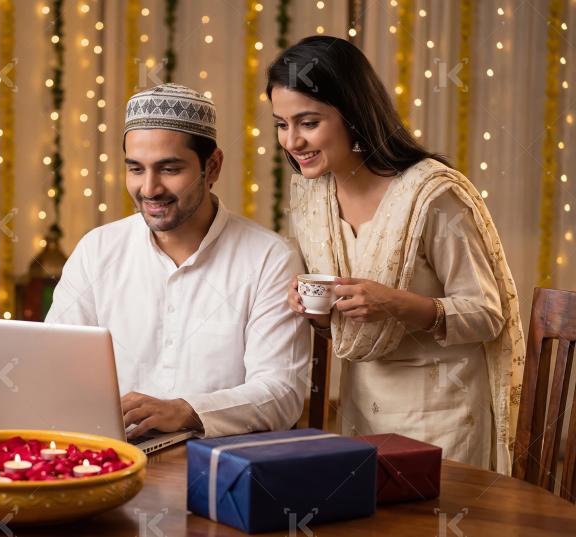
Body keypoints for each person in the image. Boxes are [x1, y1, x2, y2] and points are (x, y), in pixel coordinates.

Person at [268, 36, 524, 473]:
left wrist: (394, 303)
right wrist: (317, 313)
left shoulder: (432, 195)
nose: (292, 141)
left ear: (351, 113)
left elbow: (487, 313)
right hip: (359, 413)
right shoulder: (312, 195)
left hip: (442, 417)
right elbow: (348, 330)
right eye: (280, 124)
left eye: (307, 122)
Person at [46, 83, 309, 439]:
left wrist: (186, 411)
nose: (150, 189)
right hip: (108, 459)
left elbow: (282, 393)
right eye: (136, 169)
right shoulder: (97, 250)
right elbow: (55, 366)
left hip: (219, 468)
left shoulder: (269, 258)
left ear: (212, 167)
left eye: (169, 169)